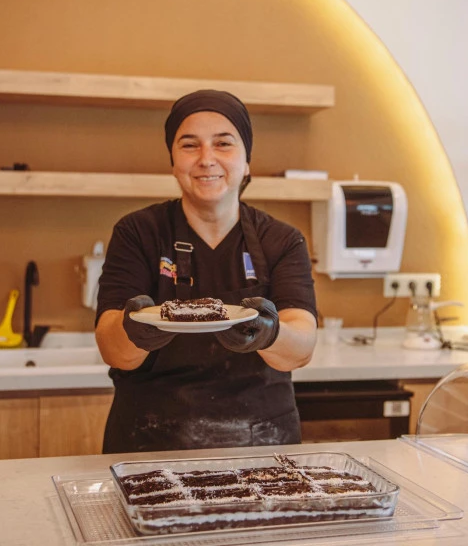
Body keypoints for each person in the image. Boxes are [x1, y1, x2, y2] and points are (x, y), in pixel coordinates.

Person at [95, 89, 317, 453]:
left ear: (247, 162)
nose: (206, 159)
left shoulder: (282, 240)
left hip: (260, 445)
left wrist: (269, 333)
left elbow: (302, 347)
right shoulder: (138, 233)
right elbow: (111, 346)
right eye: (189, 145)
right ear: (173, 161)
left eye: (223, 144)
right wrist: (134, 330)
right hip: (149, 442)